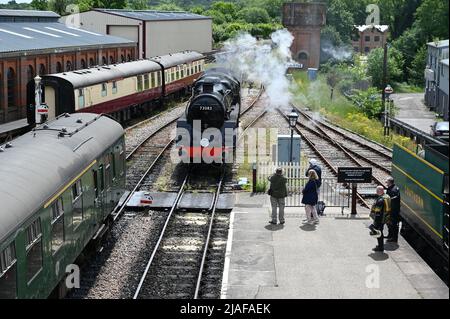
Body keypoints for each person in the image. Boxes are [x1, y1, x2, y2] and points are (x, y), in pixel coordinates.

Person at [369, 186, 391, 252]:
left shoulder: (381, 200)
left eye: (377, 190)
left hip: (380, 219)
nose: (376, 192)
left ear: (380, 191)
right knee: (380, 232)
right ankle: (380, 246)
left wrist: (375, 223)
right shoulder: (386, 196)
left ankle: (380, 247)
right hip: (385, 218)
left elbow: (378, 212)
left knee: (378, 233)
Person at [386, 177, 401, 243]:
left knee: (393, 224)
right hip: (390, 209)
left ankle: (394, 238)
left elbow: (396, 197)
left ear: (390, 182)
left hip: (394, 210)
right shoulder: (391, 188)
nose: (386, 183)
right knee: (389, 223)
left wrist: (388, 200)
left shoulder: (394, 189)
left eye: (387, 182)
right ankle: (390, 235)